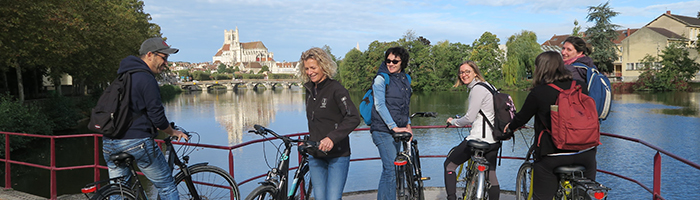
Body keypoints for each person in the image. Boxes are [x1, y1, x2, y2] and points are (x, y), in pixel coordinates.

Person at [102, 37, 188, 199]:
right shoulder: (146, 78)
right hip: (136, 142)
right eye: (164, 57)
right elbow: (158, 117)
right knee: (167, 187)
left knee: (119, 192)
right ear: (150, 55)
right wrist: (172, 132)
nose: (166, 63)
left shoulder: (123, 76)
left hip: (110, 142)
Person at [505, 51, 596, 200]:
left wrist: (509, 128)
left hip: (553, 154)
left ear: (540, 69)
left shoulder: (539, 92)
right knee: (584, 194)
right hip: (586, 152)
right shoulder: (580, 86)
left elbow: (521, 118)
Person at [300, 47, 360, 200]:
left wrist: (332, 138)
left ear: (323, 66)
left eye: (313, 68)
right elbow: (318, 122)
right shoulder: (309, 90)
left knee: (333, 198)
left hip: (337, 155)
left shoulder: (336, 89)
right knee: (319, 198)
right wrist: (307, 142)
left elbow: (353, 117)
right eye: (306, 68)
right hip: (315, 154)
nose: (309, 72)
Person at [443, 61, 502, 200]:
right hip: (494, 140)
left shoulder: (477, 89)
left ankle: (451, 198)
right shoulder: (490, 86)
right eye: (461, 72)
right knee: (491, 175)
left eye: (467, 71)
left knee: (449, 165)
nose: (464, 75)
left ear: (475, 72)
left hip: (477, 139)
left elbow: (469, 118)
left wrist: (454, 122)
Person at [370, 46, 412, 200]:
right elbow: (379, 105)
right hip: (382, 130)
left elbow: (405, 106)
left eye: (395, 61)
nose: (391, 64)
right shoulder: (381, 78)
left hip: (398, 130)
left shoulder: (406, 79)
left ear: (403, 62)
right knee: (391, 169)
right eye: (388, 60)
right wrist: (393, 126)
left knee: (389, 170)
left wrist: (408, 126)